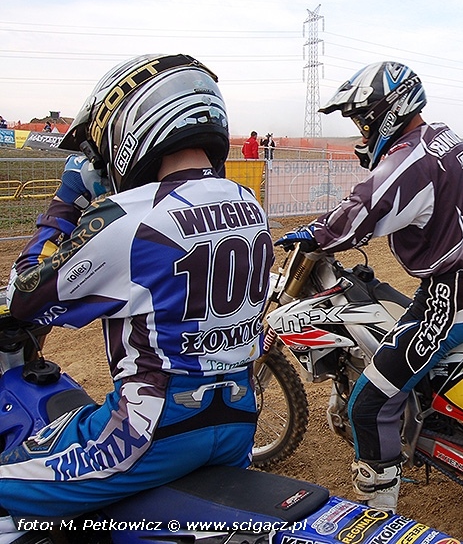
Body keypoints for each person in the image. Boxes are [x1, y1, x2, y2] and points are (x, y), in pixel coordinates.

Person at [0, 53, 273, 536]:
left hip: (147, 433)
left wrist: (65, 205)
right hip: (237, 420)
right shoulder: (249, 203)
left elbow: (26, 295)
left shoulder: (128, 215)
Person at [275, 61, 463, 512]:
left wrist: (315, 233)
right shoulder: (441, 136)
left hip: (454, 296)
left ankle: (379, 511)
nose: (361, 130)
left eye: (362, 119)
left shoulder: (411, 159)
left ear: (386, 111)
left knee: (368, 402)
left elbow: (366, 207)